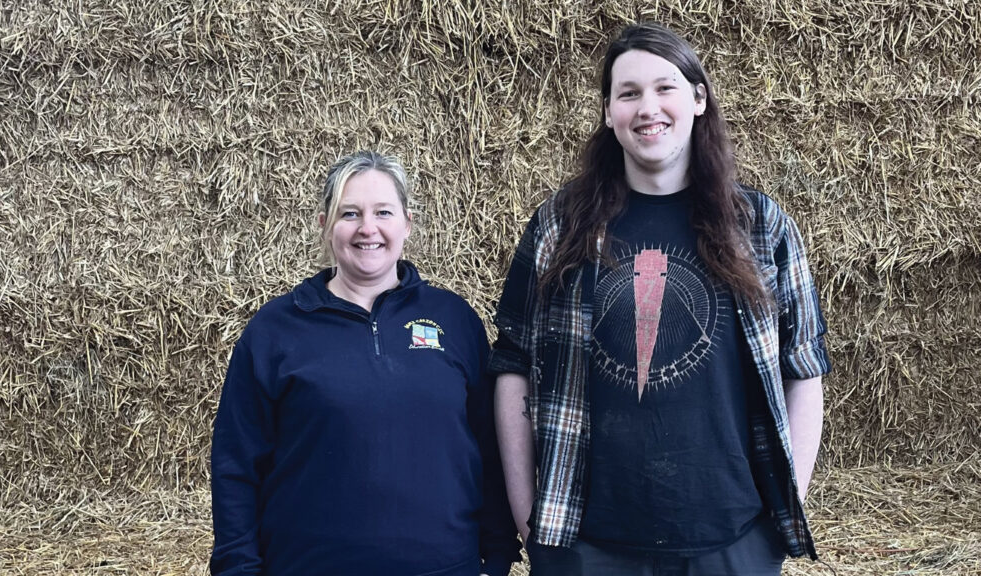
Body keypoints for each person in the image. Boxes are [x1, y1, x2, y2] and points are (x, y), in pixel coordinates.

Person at [490, 22, 831, 576]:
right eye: (628, 93)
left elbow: (805, 369)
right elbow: (512, 365)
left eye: (664, 87)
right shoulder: (558, 226)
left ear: (699, 99)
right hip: (587, 543)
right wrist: (529, 515)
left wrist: (783, 510)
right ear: (608, 114)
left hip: (732, 540)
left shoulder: (762, 227)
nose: (647, 107)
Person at [210, 150, 520, 576]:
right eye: (350, 213)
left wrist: (499, 554)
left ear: (407, 224)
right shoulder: (275, 329)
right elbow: (235, 463)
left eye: (383, 212)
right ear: (325, 226)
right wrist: (237, 567)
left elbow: (491, 447)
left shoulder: (454, 319)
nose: (367, 229)